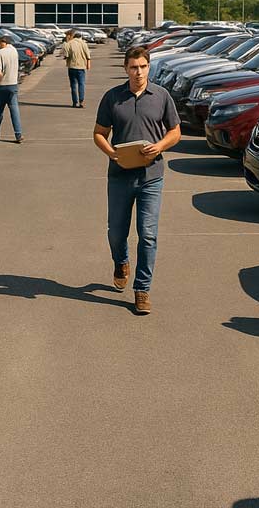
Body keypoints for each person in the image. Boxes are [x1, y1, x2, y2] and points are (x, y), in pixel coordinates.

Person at [92, 45, 181, 315]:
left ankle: (142, 289)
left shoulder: (161, 96)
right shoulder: (112, 97)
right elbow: (99, 133)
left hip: (151, 176)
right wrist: (112, 153)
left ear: (149, 67)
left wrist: (160, 146)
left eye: (143, 67)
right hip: (120, 175)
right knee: (116, 233)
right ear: (126, 68)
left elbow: (175, 131)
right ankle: (121, 261)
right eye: (133, 67)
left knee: (149, 235)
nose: (138, 72)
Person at [0, 35, 23, 143]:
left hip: (3, 85)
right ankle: (18, 134)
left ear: (2, 42)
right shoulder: (14, 51)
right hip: (13, 84)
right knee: (14, 110)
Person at [62, 29, 92, 108]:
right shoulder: (83, 43)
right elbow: (88, 55)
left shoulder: (69, 43)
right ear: (80, 37)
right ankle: (81, 101)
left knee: (73, 85)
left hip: (72, 67)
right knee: (81, 84)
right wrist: (88, 64)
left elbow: (66, 55)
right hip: (81, 67)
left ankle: (75, 102)